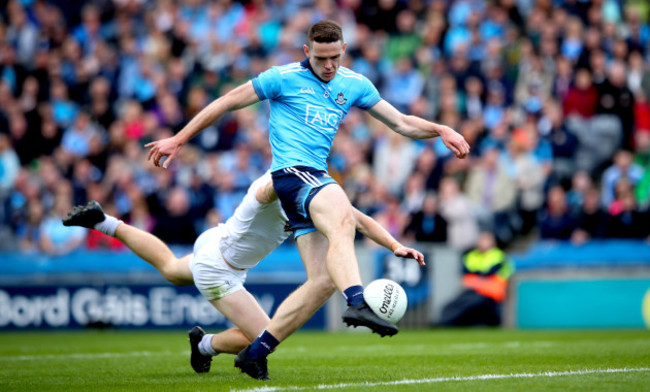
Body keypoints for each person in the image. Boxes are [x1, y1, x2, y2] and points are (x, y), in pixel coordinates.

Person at [145, 20, 469, 379]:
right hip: (291, 172)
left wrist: (441, 129)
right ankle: (358, 302)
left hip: (313, 178)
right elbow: (226, 102)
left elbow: (403, 123)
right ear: (306, 52)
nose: (328, 65)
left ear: (344, 49)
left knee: (324, 280)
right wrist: (178, 138)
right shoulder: (281, 77)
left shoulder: (355, 84)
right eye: (320, 58)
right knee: (342, 216)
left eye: (334, 57)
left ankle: (256, 351)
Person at [63, 172, 424, 377]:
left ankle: (104, 222)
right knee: (265, 335)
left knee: (173, 269)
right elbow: (269, 185)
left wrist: (394, 245)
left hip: (216, 242)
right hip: (219, 267)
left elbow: (356, 218)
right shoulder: (279, 185)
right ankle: (204, 345)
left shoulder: (309, 197)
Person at [439, 232, 513, 327]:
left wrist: (478, 276)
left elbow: (491, 272)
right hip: (473, 291)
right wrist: (480, 276)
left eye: (486, 240)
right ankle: (445, 322)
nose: (483, 243)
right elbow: (466, 271)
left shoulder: (499, 256)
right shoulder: (471, 255)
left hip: (491, 293)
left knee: (474, 305)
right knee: (454, 306)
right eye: (482, 240)